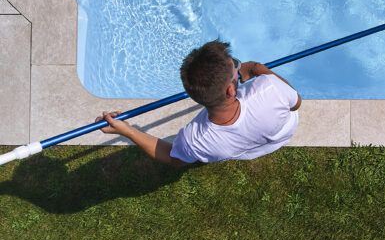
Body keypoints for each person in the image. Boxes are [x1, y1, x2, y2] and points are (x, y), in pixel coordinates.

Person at [96, 39, 301, 166]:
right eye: (236, 68)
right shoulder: (269, 88)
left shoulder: (194, 140)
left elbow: (171, 157)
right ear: (231, 89)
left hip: (249, 151)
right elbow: (296, 103)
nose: (240, 69)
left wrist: (128, 131)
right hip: (284, 133)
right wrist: (258, 69)